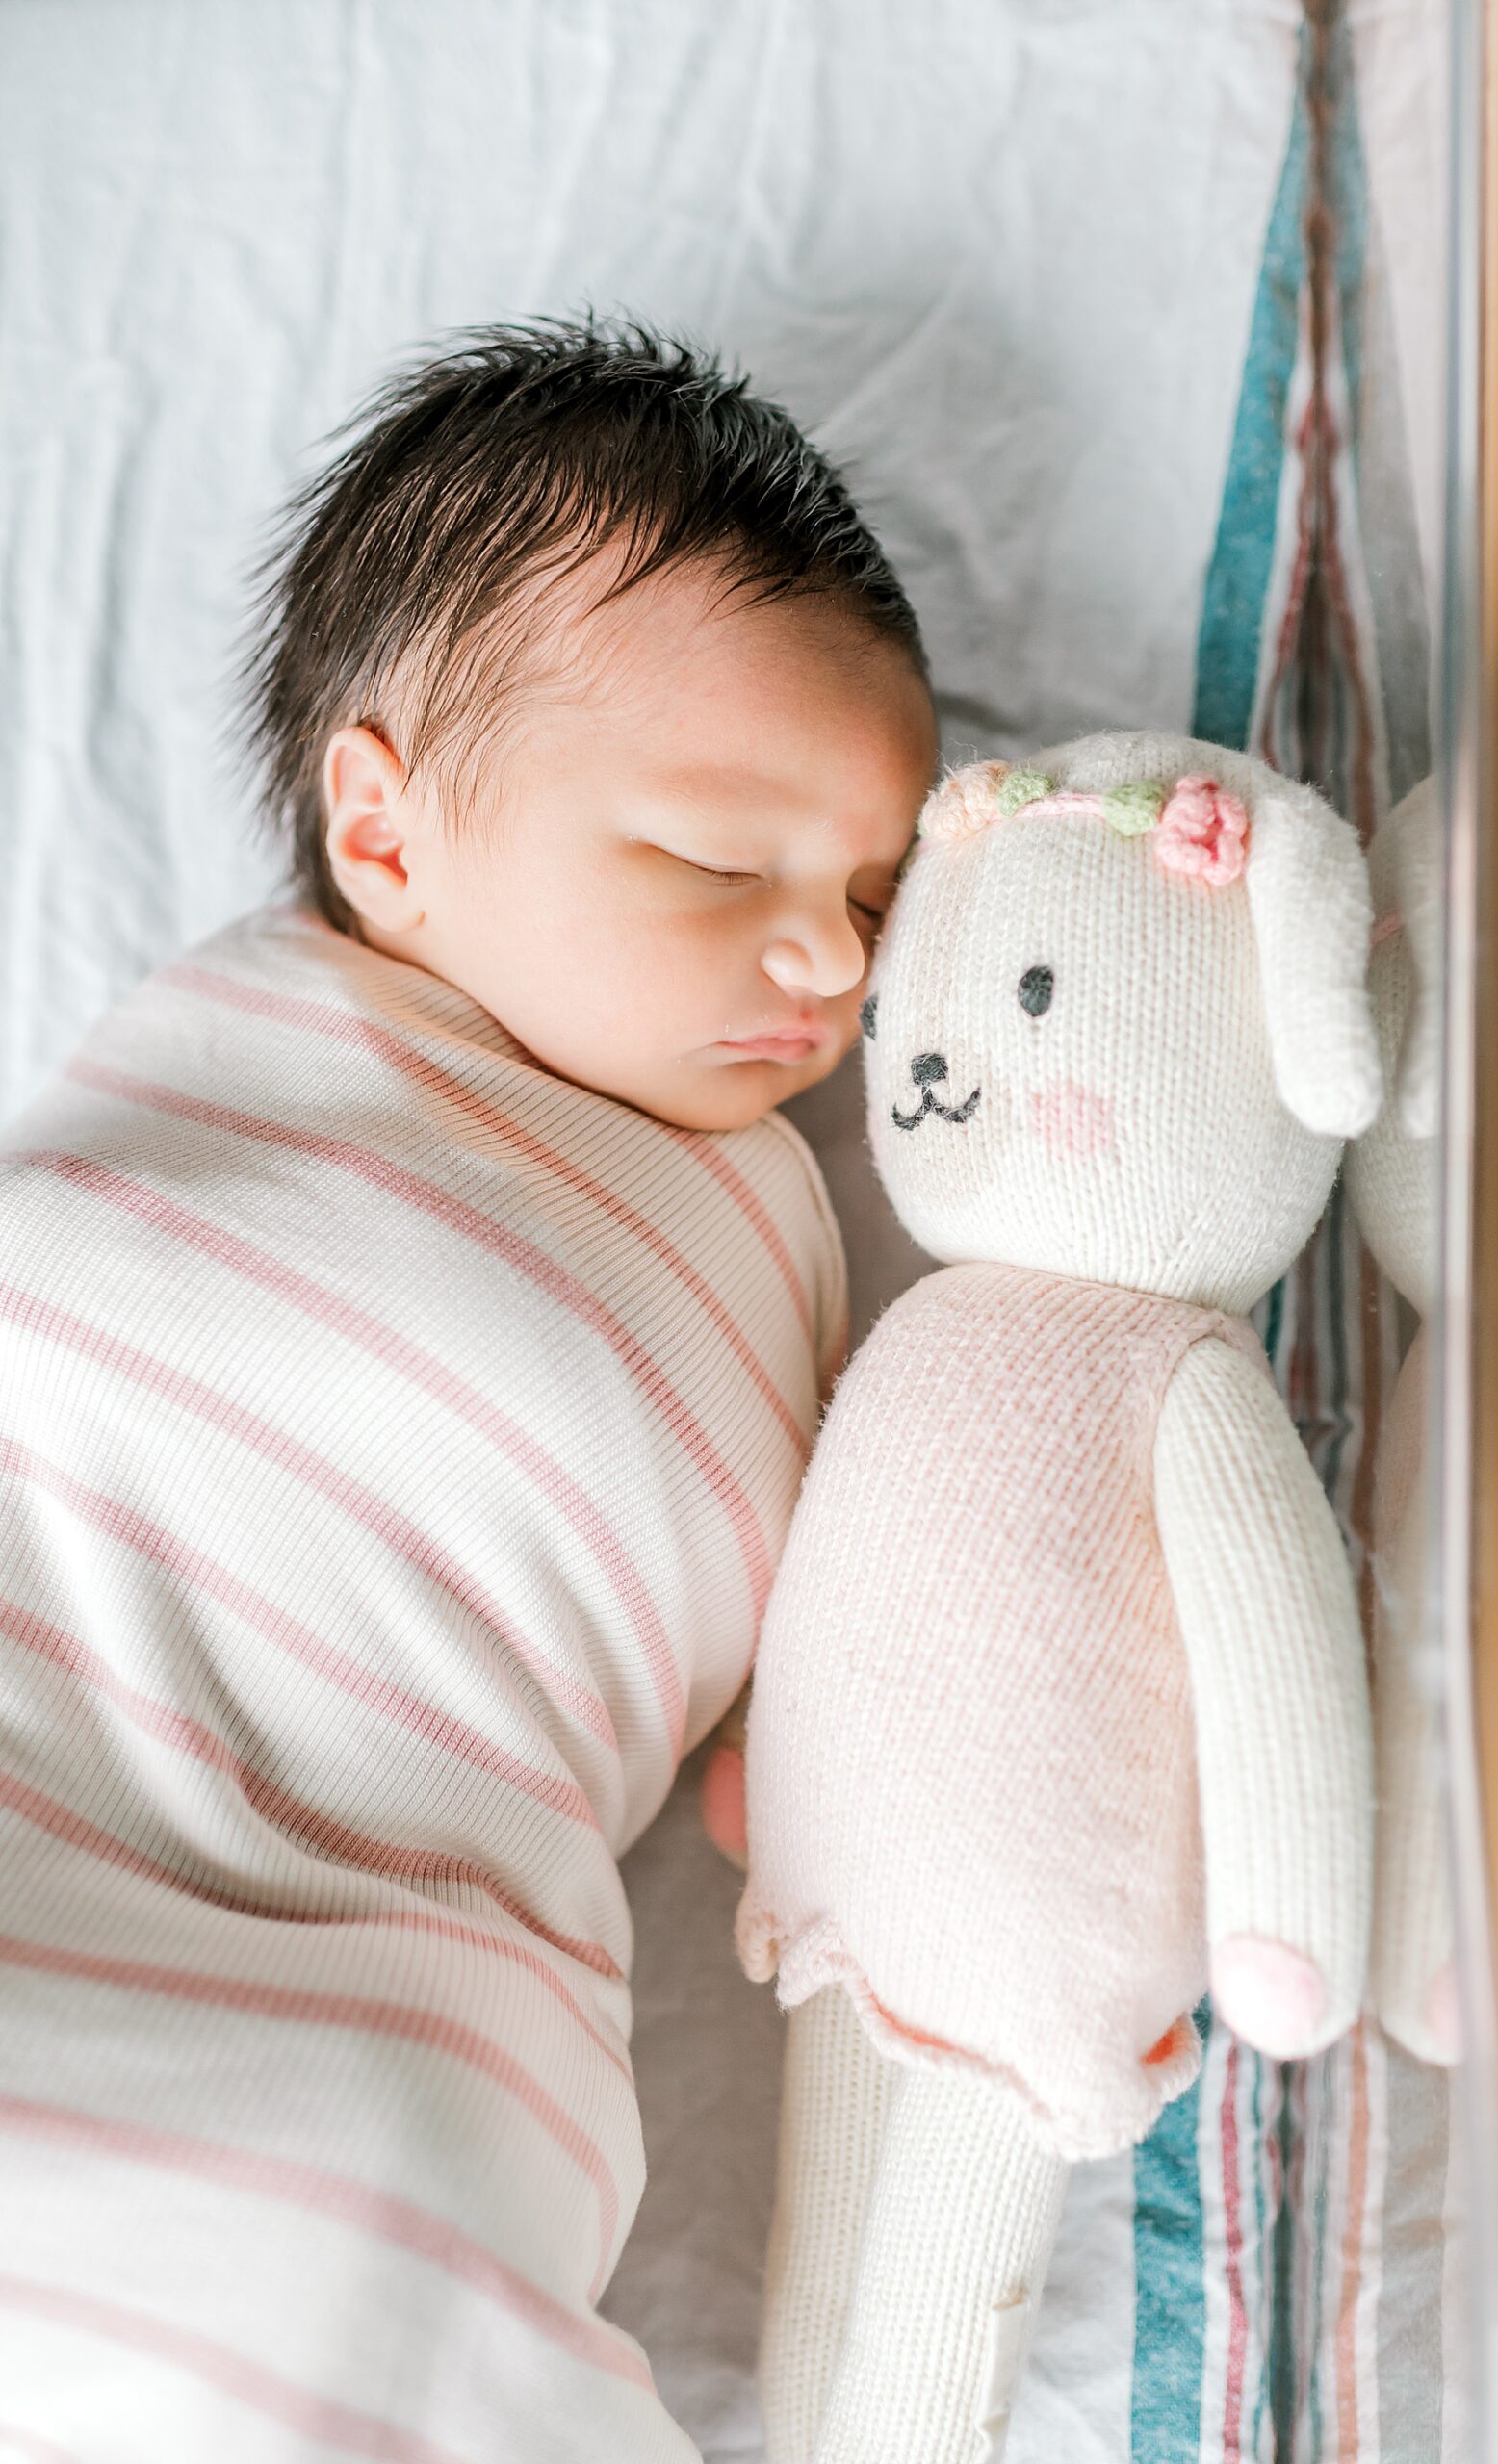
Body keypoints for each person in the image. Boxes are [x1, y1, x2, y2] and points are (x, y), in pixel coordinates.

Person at [0, 319, 937, 2462]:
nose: (832, 961)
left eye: (876, 894)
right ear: (387, 829)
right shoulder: (243, 1048)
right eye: (722, 866)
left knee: (355, 2218)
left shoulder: (777, 1219)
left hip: (388, 1960)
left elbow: (813, 1656)